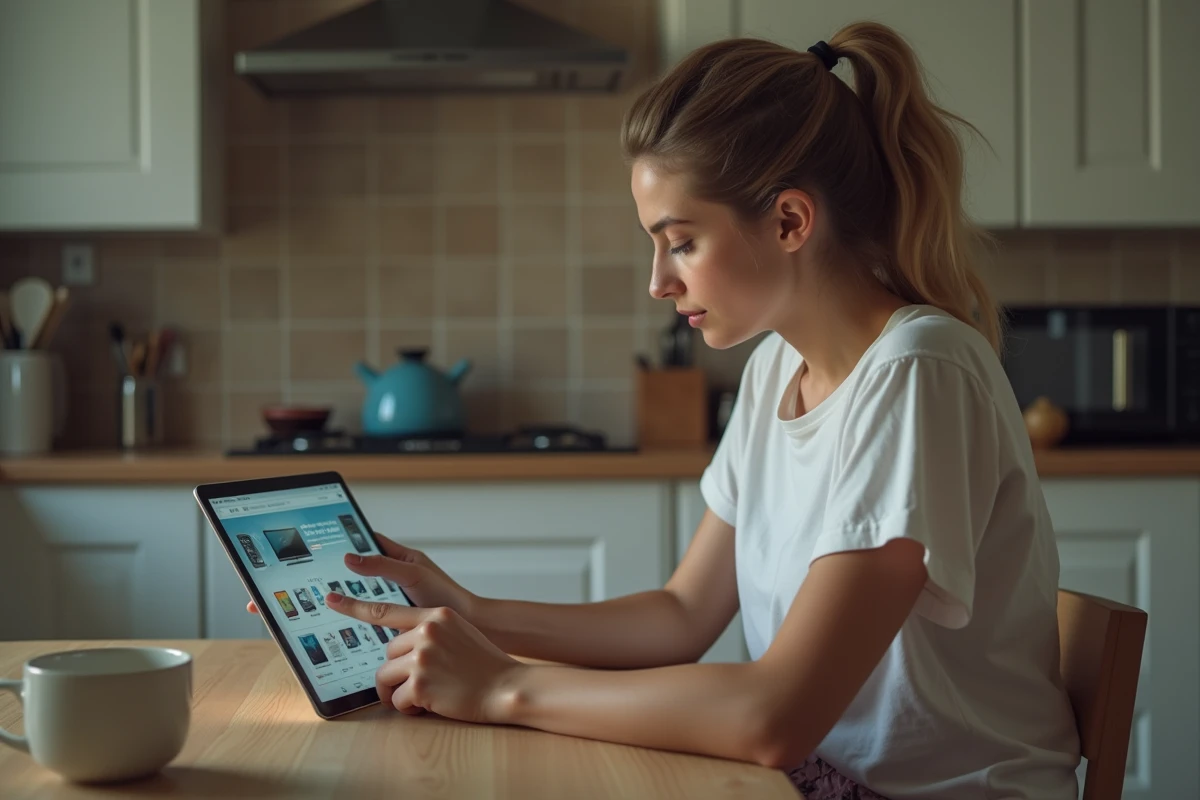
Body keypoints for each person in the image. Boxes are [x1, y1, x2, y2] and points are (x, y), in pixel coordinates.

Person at [250, 22, 1080, 799]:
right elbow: (680, 616)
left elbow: (773, 717)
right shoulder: (775, 370)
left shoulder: (916, 372)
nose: (659, 281)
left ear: (790, 220)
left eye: (681, 240)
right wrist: (467, 612)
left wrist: (504, 684)